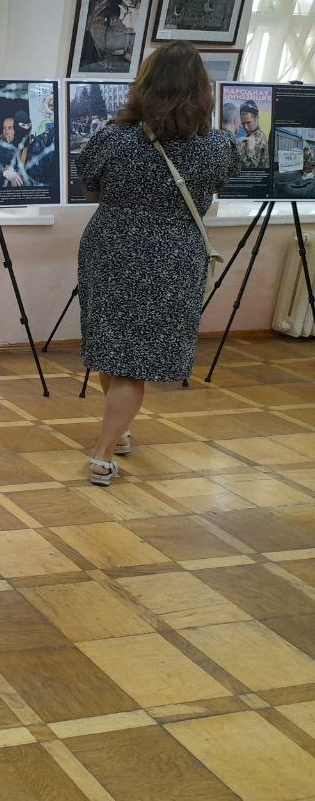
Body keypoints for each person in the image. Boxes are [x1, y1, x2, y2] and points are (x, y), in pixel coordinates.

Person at [76, 41, 240, 486]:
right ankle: (107, 447)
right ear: (201, 91)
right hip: (174, 253)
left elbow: (91, 188)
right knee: (136, 358)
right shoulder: (217, 147)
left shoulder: (113, 138)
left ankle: (110, 441)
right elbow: (218, 187)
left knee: (114, 349)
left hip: (112, 246)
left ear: (145, 85)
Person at [237, 100, 268, 169]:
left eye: (248, 123)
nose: (245, 127)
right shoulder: (259, 135)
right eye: (243, 123)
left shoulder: (255, 138)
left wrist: (239, 147)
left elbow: (249, 170)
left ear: (257, 118)